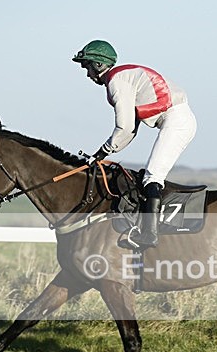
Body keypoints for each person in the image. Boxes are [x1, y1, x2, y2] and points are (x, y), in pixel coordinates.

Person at [72, 39, 197, 248]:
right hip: (178, 118)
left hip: (177, 120)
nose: (87, 74)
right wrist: (103, 153)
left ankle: (150, 235)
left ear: (99, 65)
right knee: (148, 176)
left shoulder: (117, 82)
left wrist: (101, 153)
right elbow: (130, 131)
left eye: (87, 67)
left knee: (152, 177)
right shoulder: (122, 78)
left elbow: (124, 128)